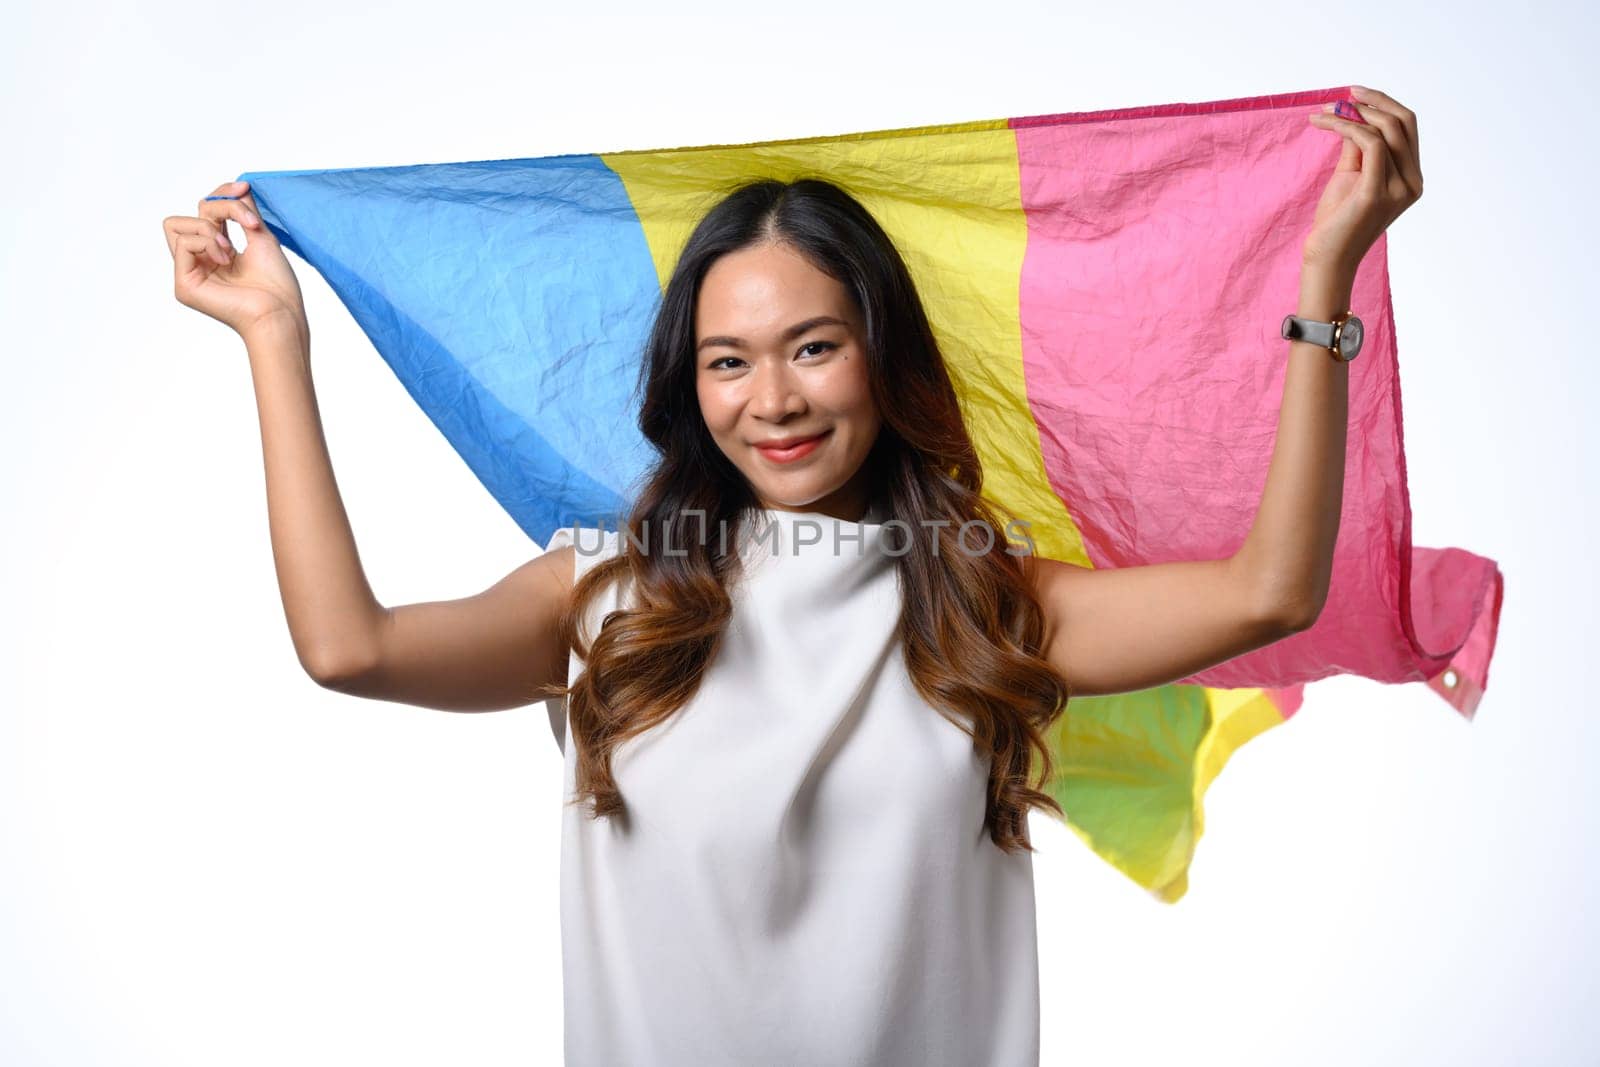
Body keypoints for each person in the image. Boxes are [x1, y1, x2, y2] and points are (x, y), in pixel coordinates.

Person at [161, 85, 1422, 1066]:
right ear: (684, 383)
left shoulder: (984, 600)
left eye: (813, 346)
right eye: (727, 360)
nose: (773, 400)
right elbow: (350, 648)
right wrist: (275, 337)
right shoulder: (598, 597)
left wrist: (1323, 284)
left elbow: (1270, 591)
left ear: (881, 355)